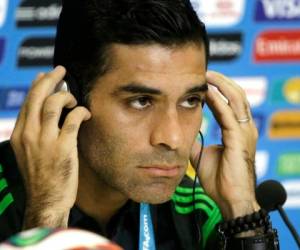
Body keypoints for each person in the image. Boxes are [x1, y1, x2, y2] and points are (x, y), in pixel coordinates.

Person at [0, 0, 279, 249]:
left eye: (191, 100)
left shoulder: (199, 210)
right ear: (68, 97)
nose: (173, 138)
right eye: (141, 101)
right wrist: (46, 215)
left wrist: (241, 209)